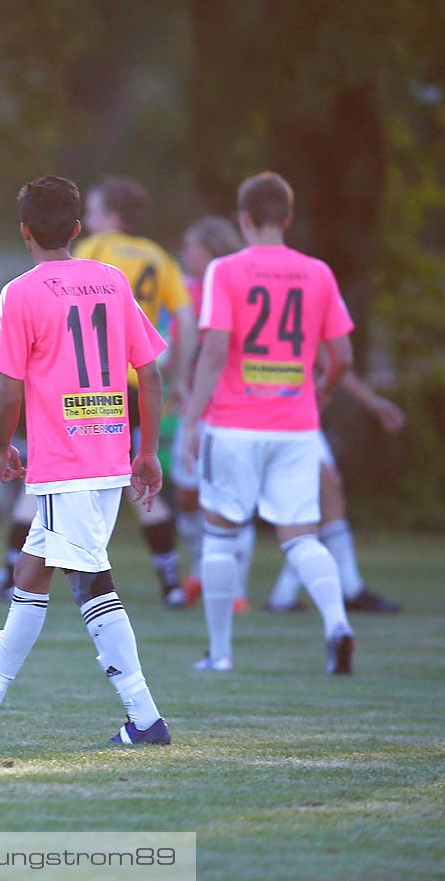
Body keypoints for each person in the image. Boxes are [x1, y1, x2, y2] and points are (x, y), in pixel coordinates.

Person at [0, 176, 171, 746]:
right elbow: (151, 372)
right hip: (107, 450)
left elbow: (10, 388)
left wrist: (0, 445)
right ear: (76, 229)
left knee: (92, 582)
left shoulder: (20, 292)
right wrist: (145, 450)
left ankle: (145, 719)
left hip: (67, 463)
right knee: (30, 574)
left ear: (23, 232)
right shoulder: (112, 282)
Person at [179, 171, 357, 674]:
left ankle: (219, 653)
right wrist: (321, 390)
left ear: (244, 219)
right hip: (295, 426)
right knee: (301, 536)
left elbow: (215, 350)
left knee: (219, 535)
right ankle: (337, 625)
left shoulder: (225, 271)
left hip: (234, 425)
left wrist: (192, 421)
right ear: (289, 218)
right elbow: (340, 354)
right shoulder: (318, 273)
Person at [75, 177, 197, 606]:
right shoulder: (158, 256)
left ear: (110, 215)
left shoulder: (96, 249)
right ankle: (170, 585)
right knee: (137, 482)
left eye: (91, 210)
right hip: (140, 385)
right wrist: (179, 377)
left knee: (57, 476)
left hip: (95, 386)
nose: (86, 219)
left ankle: (12, 579)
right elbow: (185, 318)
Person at [262, 358, 405, 614]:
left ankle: (299, 593)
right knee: (313, 498)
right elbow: (336, 357)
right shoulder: (301, 317)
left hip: (281, 410)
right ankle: (295, 594)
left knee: (326, 493)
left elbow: (332, 360)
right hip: (275, 412)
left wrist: (371, 402)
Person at [173, 215, 252, 611]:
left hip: (229, 407)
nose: (185, 253)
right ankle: (202, 573)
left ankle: (235, 589)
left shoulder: (235, 287)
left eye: (191, 246)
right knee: (188, 494)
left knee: (228, 496)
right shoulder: (184, 291)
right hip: (191, 403)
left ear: (211, 250)